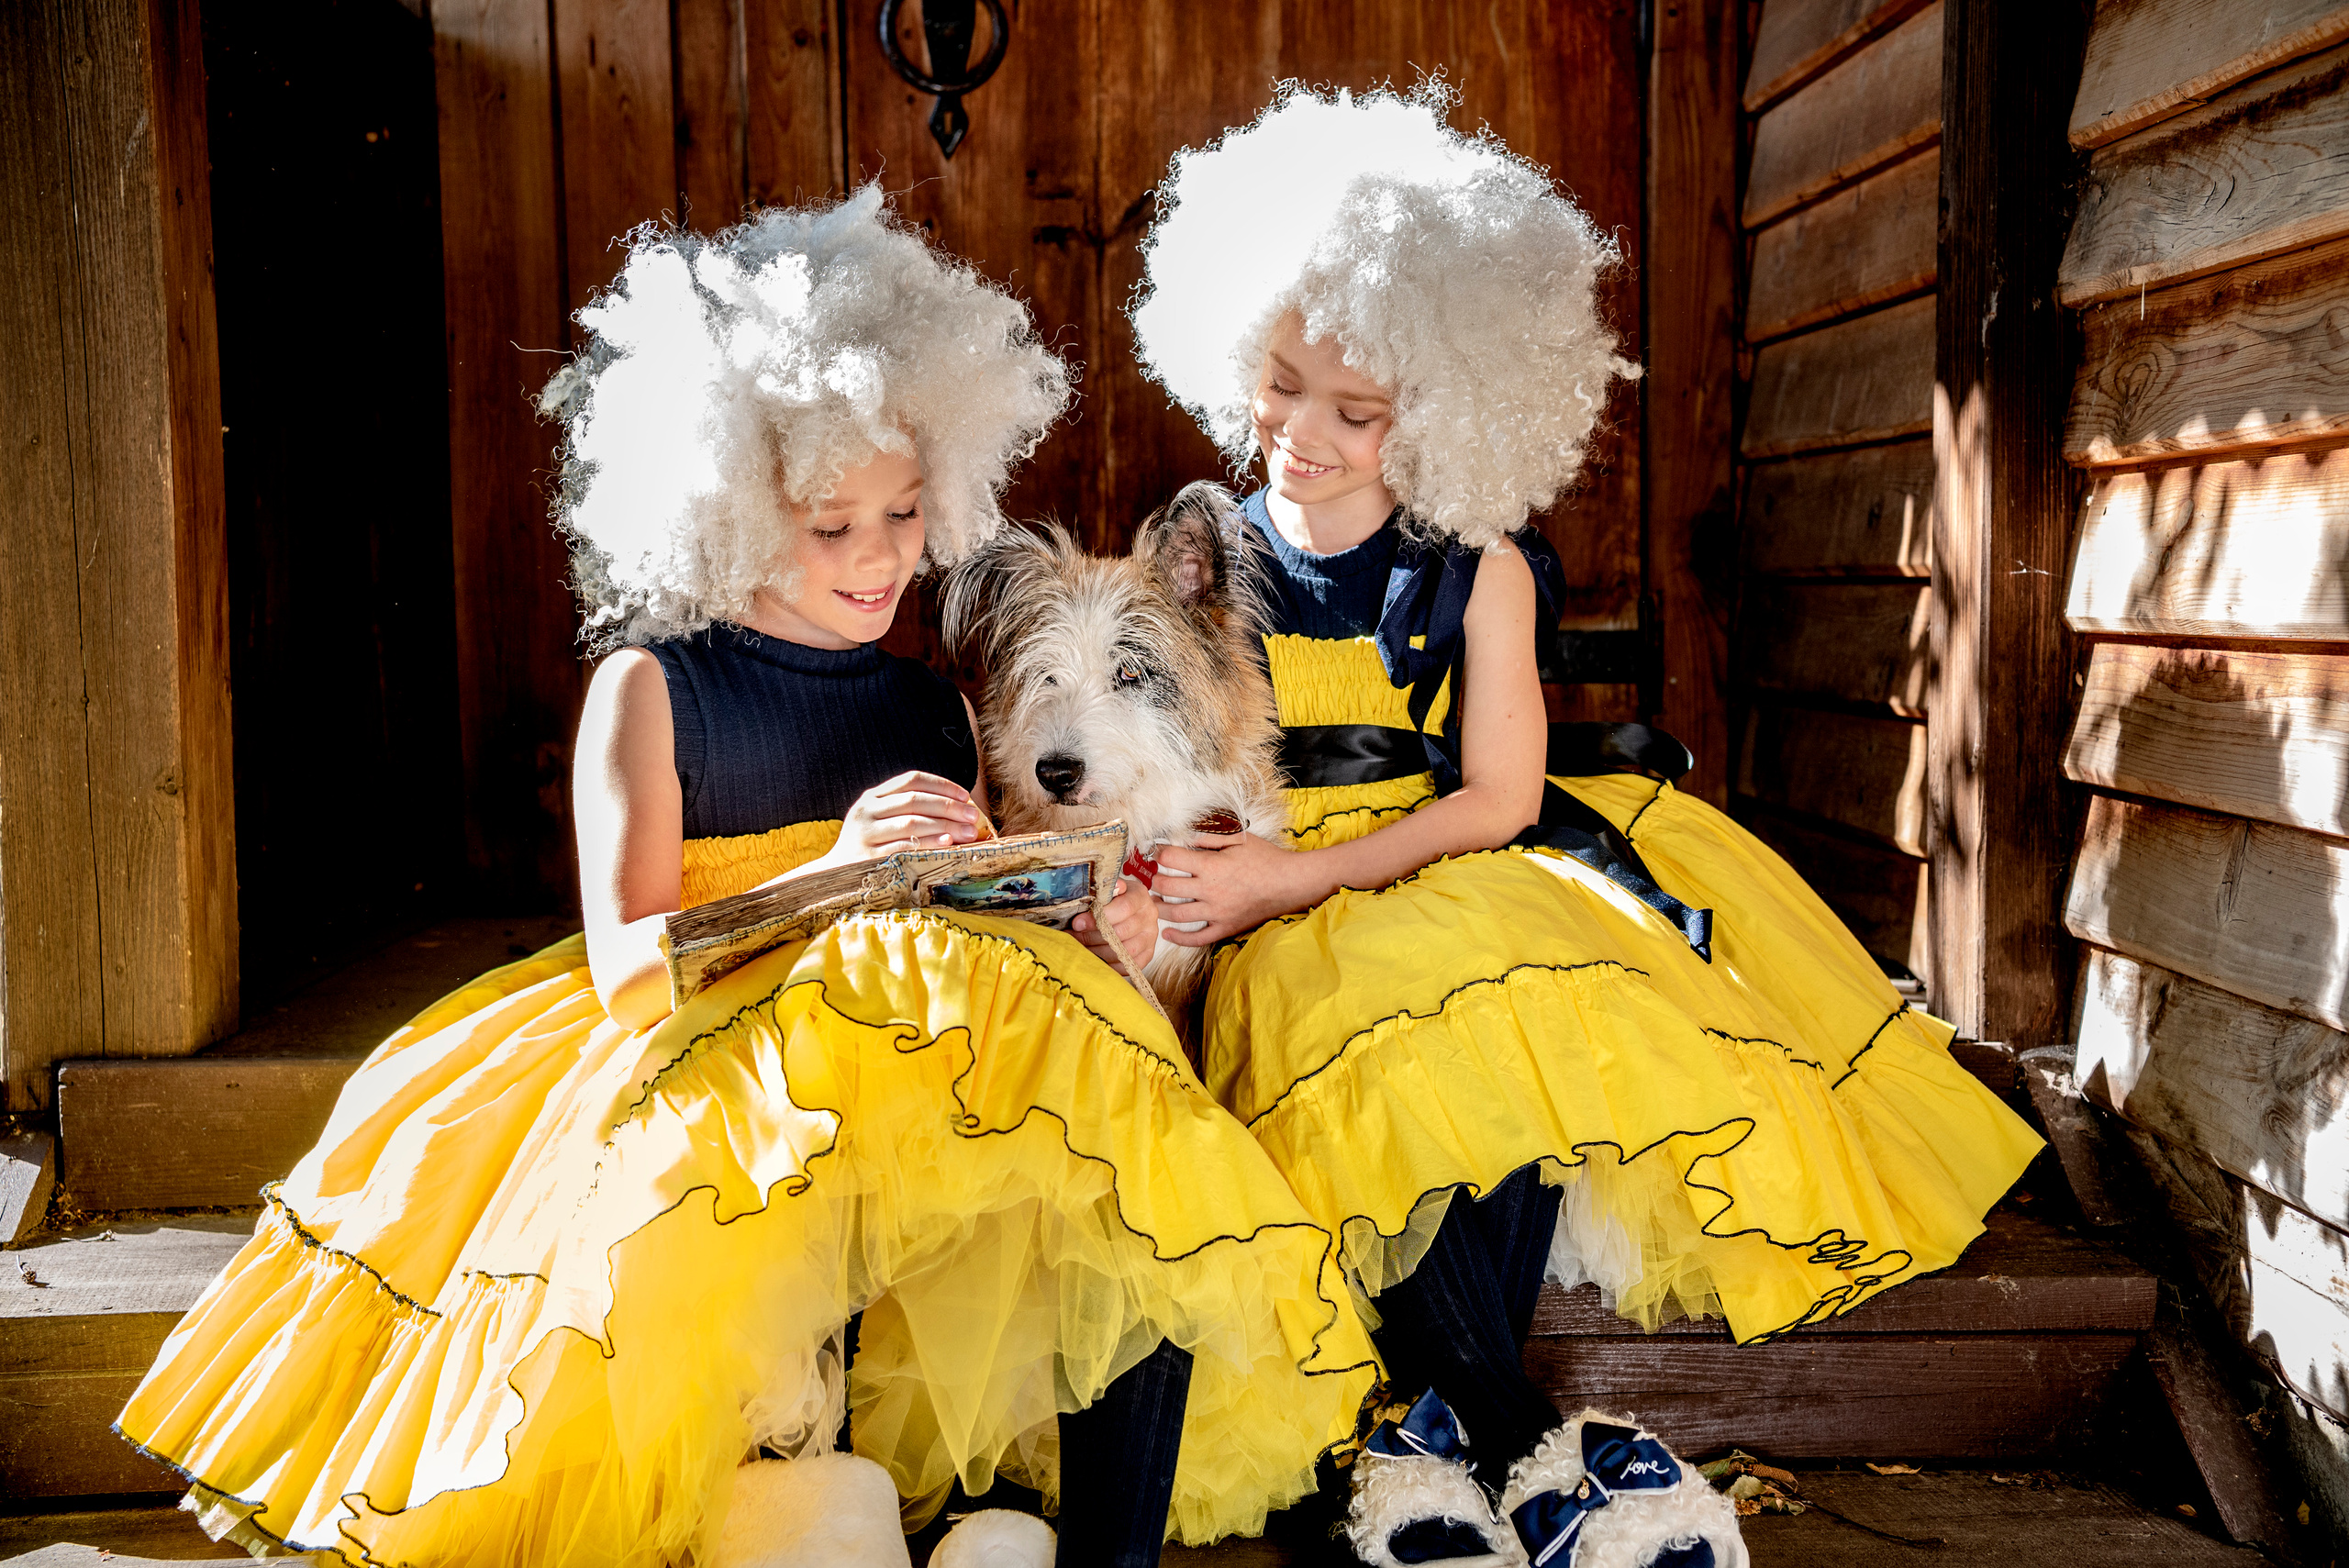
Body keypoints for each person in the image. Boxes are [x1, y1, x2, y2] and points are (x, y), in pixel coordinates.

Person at [115, 189, 1375, 1568]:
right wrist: (833, 869)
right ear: (721, 507)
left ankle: (1073, 1536)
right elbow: (630, 972)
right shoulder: (652, 691)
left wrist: (1095, 923)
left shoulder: (933, 707)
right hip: (728, 1077)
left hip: (921, 1084)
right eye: (832, 526)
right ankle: (803, 1482)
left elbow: (984, 919)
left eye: (907, 512)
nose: (882, 556)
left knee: (1119, 1159)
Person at [1129, 83, 2041, 1563]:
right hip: (1273, 893)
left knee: (1498, 1016)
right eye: (1281, 385)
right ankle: (1529, 1451)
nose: (1302, 434)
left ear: (1443, 408)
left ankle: (1453, 1441)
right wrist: (1227, 878)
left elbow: (1495, 799)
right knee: (1345, 1024)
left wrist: (1303, 874)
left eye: (1357, 413)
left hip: (1442, 856)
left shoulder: (1472, 566)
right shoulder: (1205, 556)